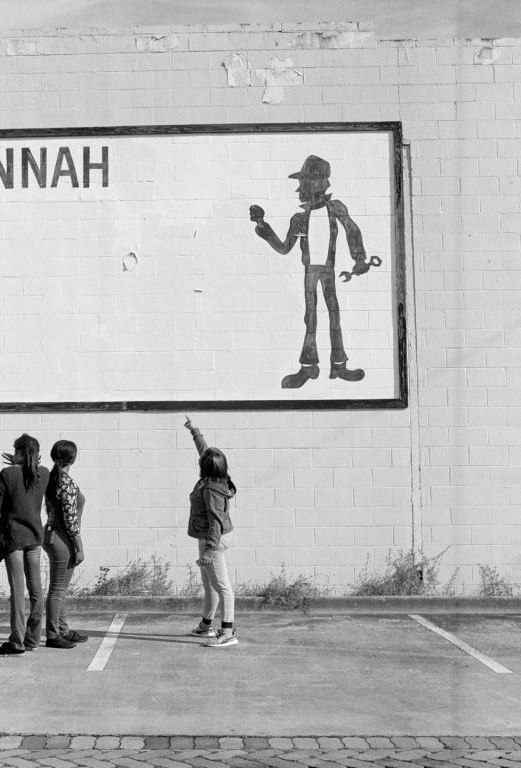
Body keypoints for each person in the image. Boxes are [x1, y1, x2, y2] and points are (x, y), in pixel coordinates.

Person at [249, 155, 378, 389]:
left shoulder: (336, 208)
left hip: (328, 271)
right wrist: (262, 226)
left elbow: (352, 231)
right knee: (311, 318)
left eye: (305, 182)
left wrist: (359, 259)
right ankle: (309, 367)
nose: (300, 189)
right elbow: (284, 247)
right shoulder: (299, 219)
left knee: (334, 316)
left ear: (319, 183)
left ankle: (338, 365)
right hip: (311, 271)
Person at [0, 434, 49, 657]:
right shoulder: (43, 473)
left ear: (21, 452)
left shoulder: (7, 474)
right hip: (34, 536)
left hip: (13, 537)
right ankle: (33, 638)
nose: (13, 454)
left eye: (15, 451)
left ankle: (17, 640)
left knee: (17, 589)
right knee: (36, 588)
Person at [183, 416, 238, 648]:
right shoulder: (214, 475)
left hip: (212, 539)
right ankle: (206, 626)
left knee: (222, 586)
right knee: (210, 585)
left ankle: (227, 633)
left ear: (205, 467)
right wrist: (195, 431)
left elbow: (215, 522)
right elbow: (205, 451)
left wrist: (209, 549)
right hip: (207, 537)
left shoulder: (212, 490)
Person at [42, 440, 88, 649]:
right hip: (62, 538)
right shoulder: (66, 482)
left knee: (60, 588)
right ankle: (53, 634)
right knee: (58, 589)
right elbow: (71, 519)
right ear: (73, 458)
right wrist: (78, 546)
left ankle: (62, 629)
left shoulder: (52, 478)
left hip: (53, 535)